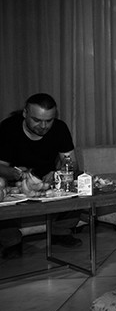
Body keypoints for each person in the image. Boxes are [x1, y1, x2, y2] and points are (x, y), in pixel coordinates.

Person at [0, 93, 83, 258]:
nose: (43, 126)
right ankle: (11, 242)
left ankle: (60, 232)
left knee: (78, 180)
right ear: (25, 113)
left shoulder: (59, 128)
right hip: (15, 181)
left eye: (49, 121)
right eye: (37, 120)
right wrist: (14, 173)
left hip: (48, 179)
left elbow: (73, 164)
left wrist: (59, 173)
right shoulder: (9, 128)